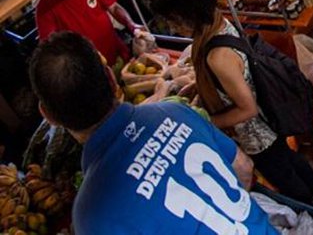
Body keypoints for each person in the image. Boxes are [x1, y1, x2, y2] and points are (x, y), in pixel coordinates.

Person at [29, 31, 277, 235]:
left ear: (48, 116)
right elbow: (243, 168)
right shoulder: (176, 111)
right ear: (111, 79)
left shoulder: (91, 215)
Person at [149, 0, 313, 204]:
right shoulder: (216, 21)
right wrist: (198, 85)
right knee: (288, 159)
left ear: (186, 14)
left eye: (172, 21)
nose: (171, 29)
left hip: (258, 135)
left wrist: (204, 122)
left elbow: (247, 109)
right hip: (269, 116)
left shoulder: (216, 56)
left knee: (284, 176)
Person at [36, 0, 144, 65]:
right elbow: (50, 47)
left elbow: (114, 7)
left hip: (119, 54)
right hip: (91, 69)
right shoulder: (45, 8)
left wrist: (131, 24)